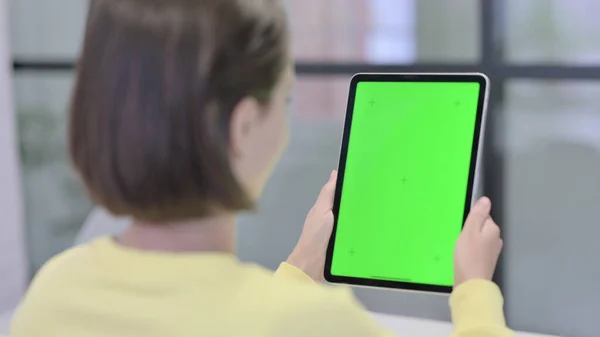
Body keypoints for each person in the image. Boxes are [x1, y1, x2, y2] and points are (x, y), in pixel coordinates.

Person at [10, 0, 511, 336]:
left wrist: (299, 267)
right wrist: (473, 290)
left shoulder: (50, 296)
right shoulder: (318, 325)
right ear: (243, 125)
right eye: (285, 98)